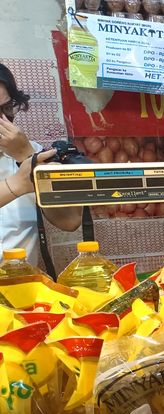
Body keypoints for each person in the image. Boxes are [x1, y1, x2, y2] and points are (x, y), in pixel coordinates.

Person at [0, 63, 82, 265]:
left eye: (7, 108)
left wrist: (27, 156)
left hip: (20, 289)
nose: (2, 120)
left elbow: (70, 220)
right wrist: (16, 185)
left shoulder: (30, 152)